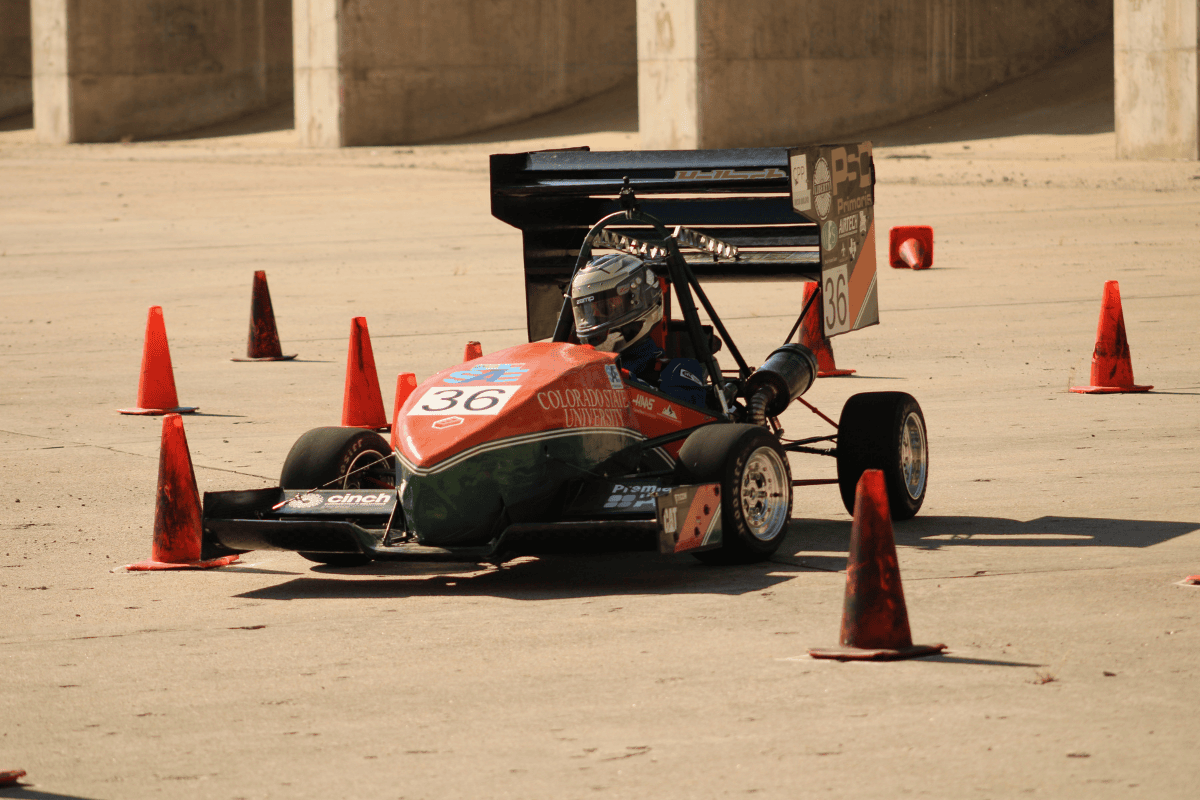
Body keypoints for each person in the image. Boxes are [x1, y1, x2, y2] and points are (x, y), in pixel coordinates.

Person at [570, 253, 706, 406]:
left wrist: (617, 377)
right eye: (588, 311)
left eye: (605, 308)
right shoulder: (585, 371)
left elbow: (681, 414)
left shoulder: (677, 371)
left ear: (638, 301)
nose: (594, 317)